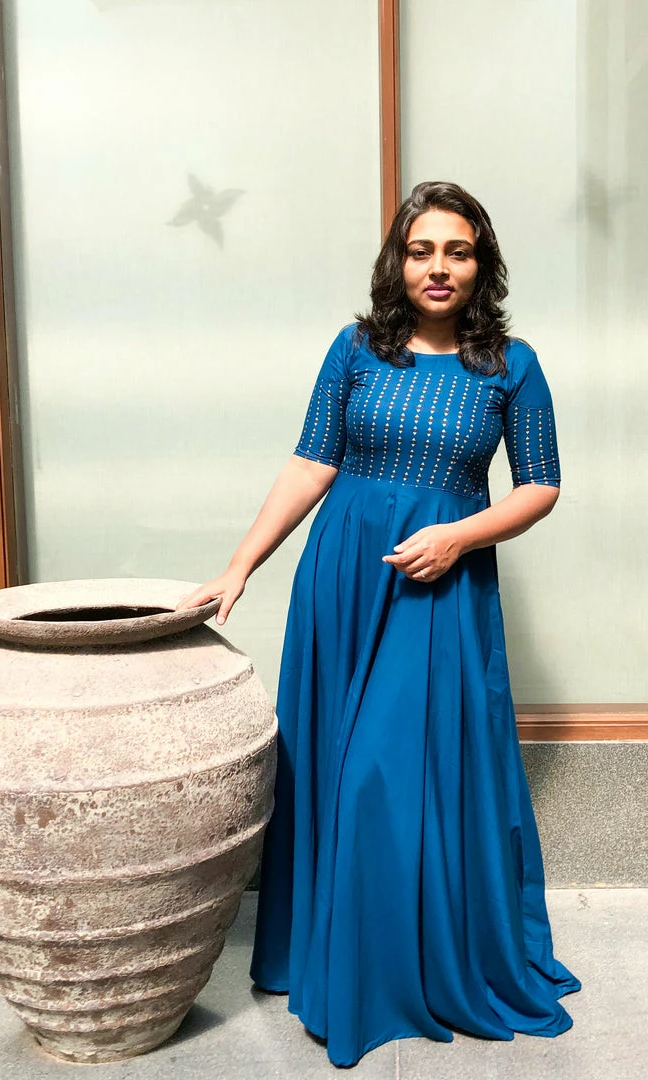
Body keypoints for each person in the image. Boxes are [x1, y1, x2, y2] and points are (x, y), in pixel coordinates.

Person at [176, 181, 581, 1067]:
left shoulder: (512, 366)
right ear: (398, 262)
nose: (439, 267)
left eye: (458, 251)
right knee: (329, 767)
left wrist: (459, 537)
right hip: (344, 577)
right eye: (421, 250)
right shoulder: (356, 349)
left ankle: (385, 976)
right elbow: (311, 464)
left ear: (482, 266)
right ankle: (333, 953)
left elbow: (542, 486)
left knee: (380, 775)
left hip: (439, 588)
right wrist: (241, 565)